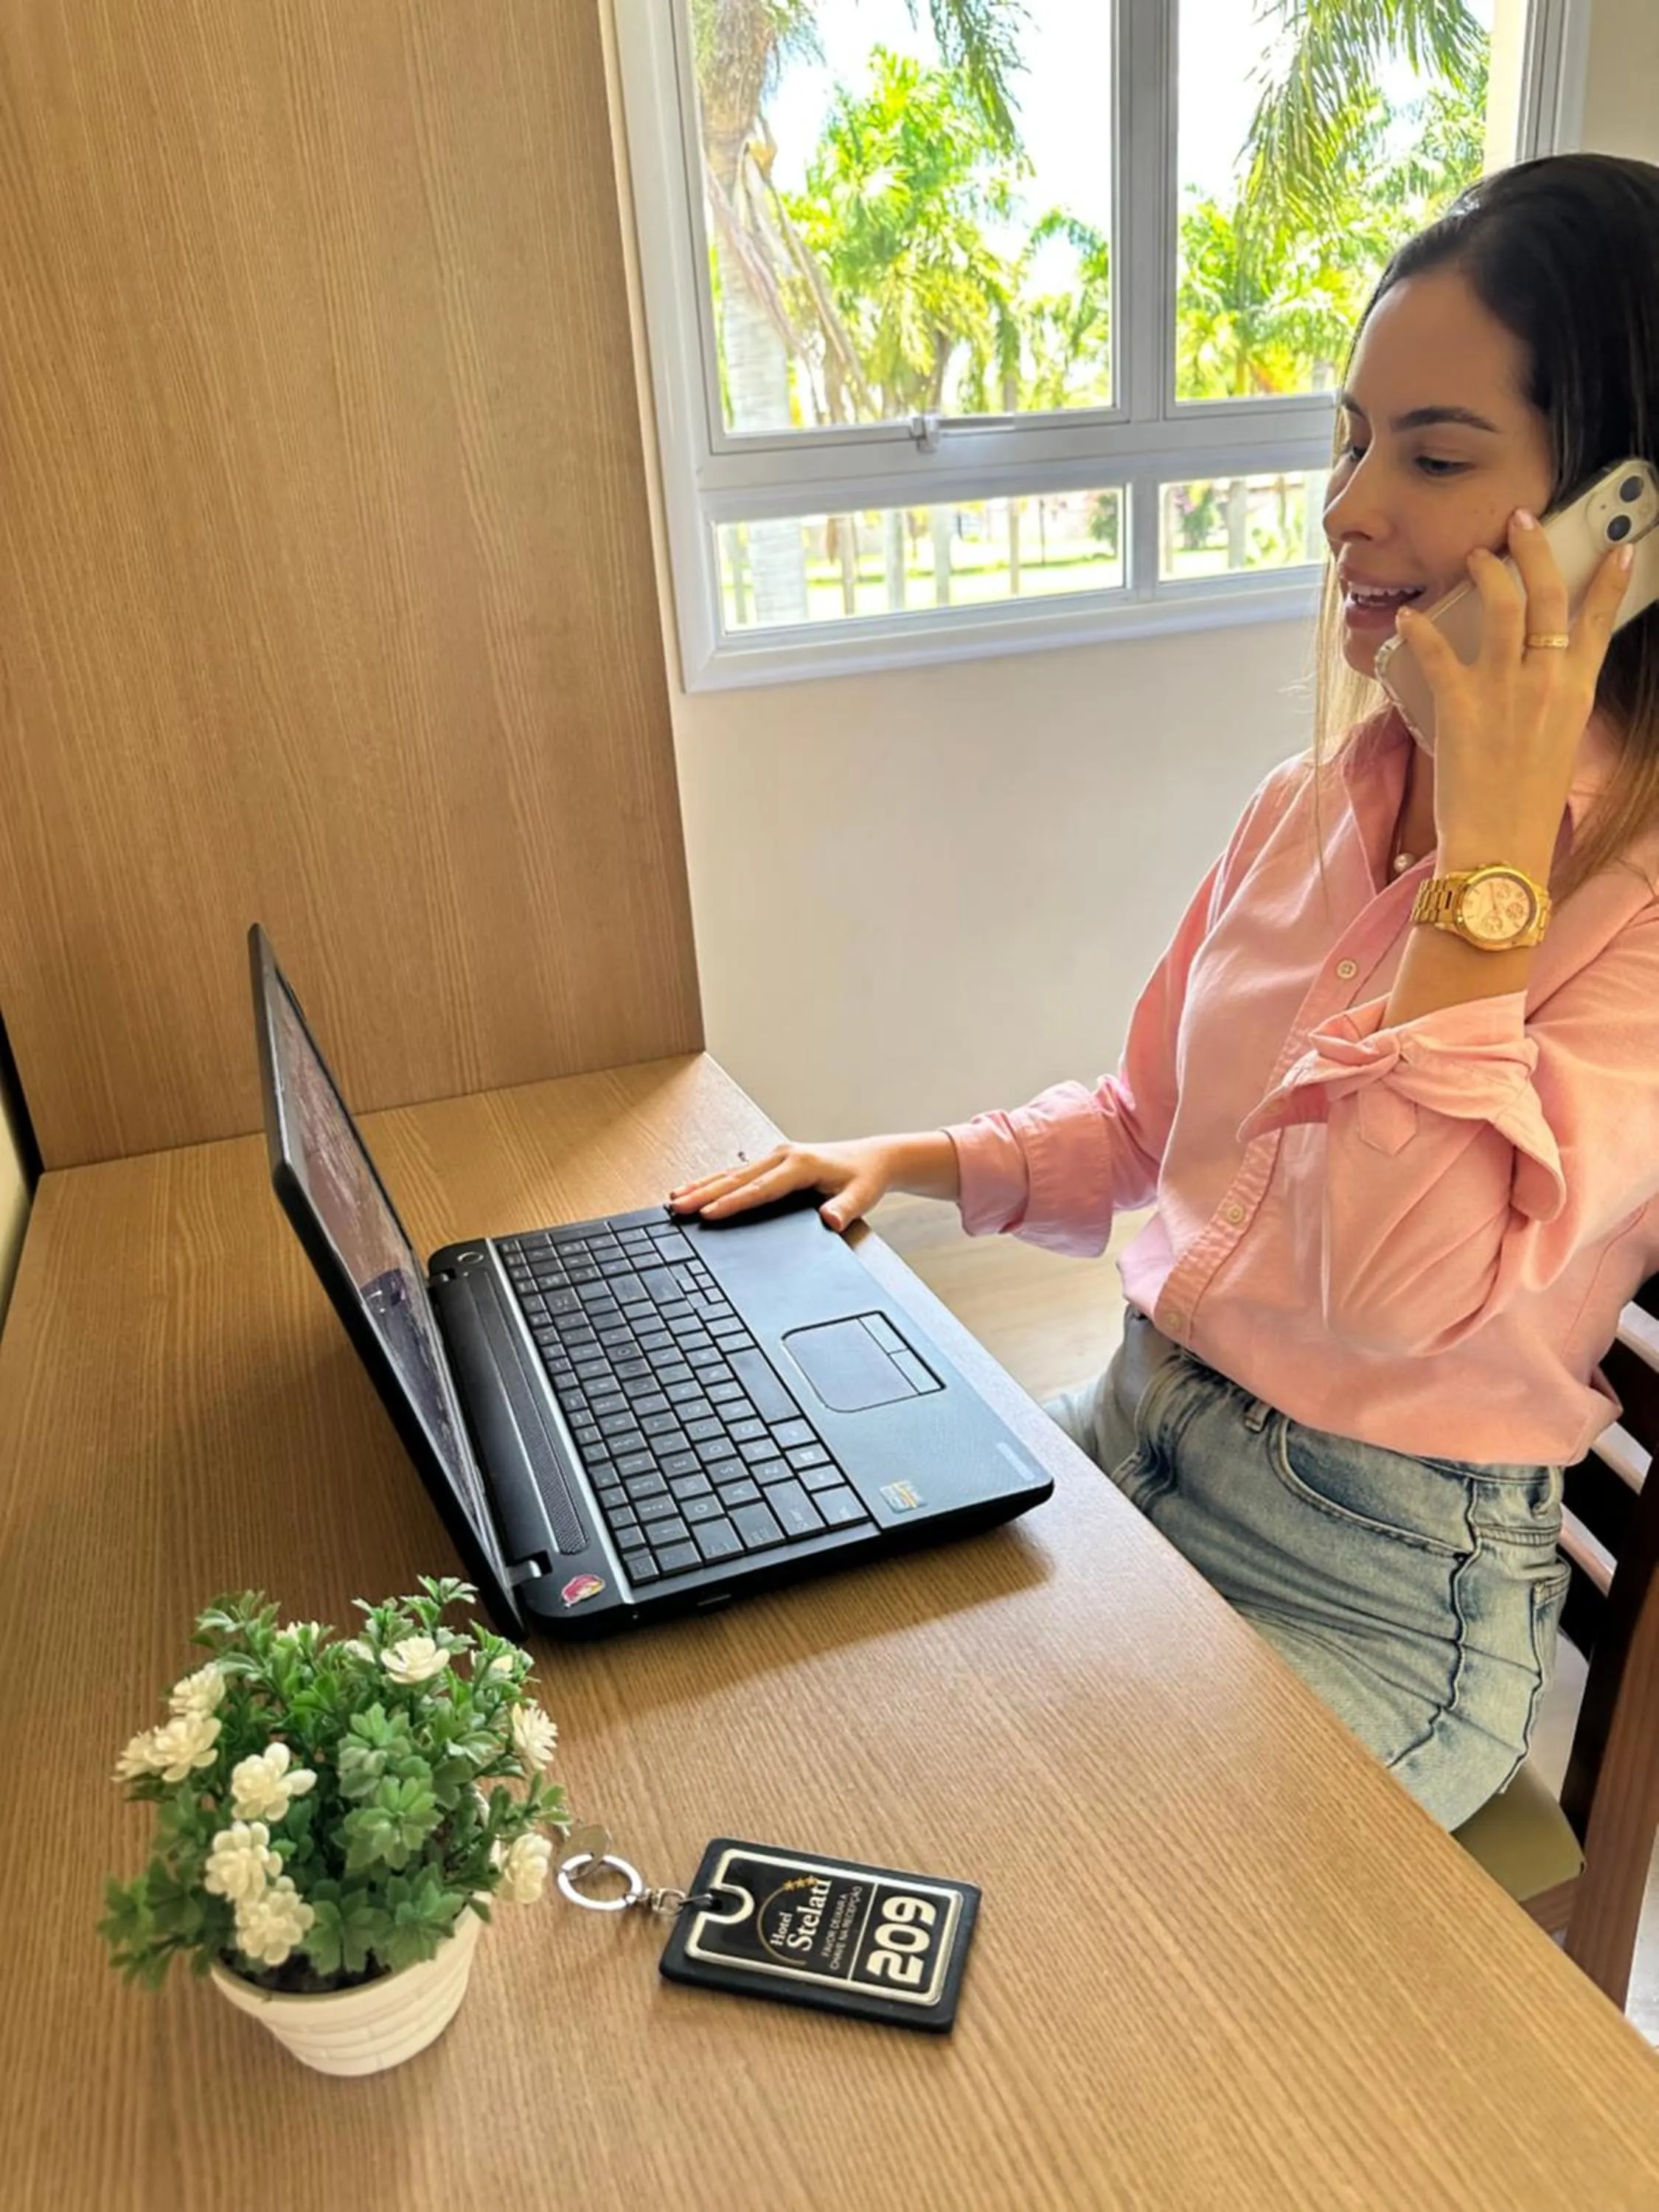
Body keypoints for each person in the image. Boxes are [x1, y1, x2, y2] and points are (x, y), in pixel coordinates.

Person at [668, 153, 1659, 1833]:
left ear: (1619, 524)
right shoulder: (1302, 809)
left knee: (1053, 1915)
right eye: (1350, 440)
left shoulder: (1631, 927)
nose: (1349, 507)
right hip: (1134, 1432)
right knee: (801, 1694)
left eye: (1431, 455)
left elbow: (1387, 1300)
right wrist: (906, 1162)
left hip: (1385, 1593)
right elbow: (1148, 1126)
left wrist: (1491, 854)